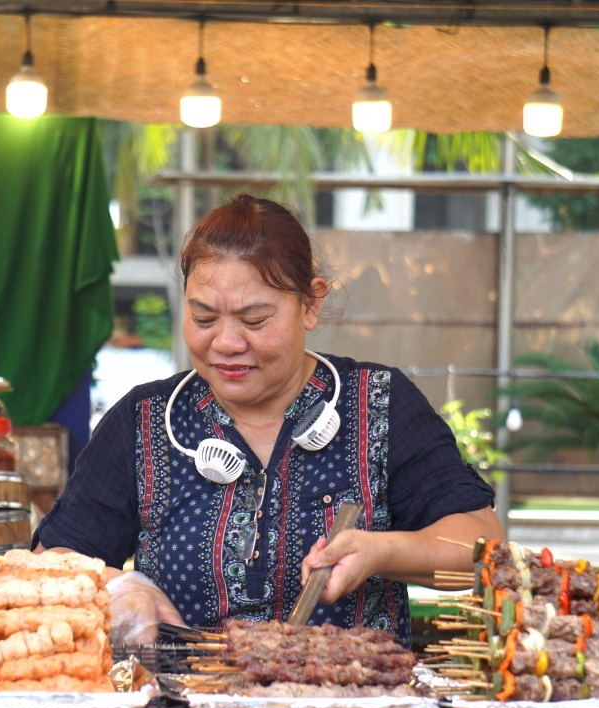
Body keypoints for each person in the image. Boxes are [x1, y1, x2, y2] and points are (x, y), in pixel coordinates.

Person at [34, 194, 503, 644]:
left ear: (311, 303)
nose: (227, 342)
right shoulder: (145, 420)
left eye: (254, 320)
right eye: (203, 318)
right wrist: (119, 586)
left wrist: (382, 552)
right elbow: (51, 561)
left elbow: (482, 548)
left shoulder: (378, 404)